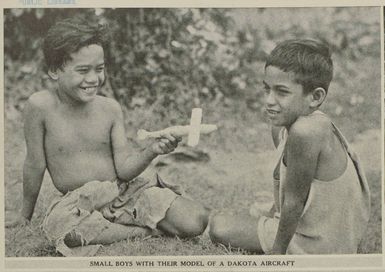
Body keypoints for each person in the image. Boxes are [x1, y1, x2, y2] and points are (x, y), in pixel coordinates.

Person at [5, 17, 209, 256]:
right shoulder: (40, 107)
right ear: (54, 70)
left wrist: (152, 150)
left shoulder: (110, 109)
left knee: (195, 220)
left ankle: (114, 225)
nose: (93, 79)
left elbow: (124, 169)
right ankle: (142, 231)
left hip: (124, 193)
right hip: (78, 203)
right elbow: (34, 164)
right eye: (82, 70)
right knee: (63, 229)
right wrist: (24, 214)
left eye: (99, 69)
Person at [209, 39, 370, 254]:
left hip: (321, 244)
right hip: (324, 232)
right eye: (267, 89)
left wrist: (278, 256)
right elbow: (289, 190)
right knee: (248, 215)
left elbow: (294, 202)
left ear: (315, 97)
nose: (269, 100)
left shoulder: (307, 131)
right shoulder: (287, 126)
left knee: (219, 226)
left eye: (281, 92)